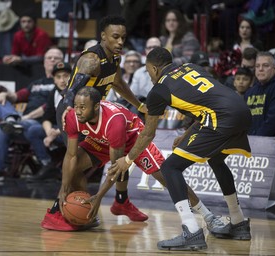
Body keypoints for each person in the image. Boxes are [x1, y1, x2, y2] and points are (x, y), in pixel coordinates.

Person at [108, 47, 253, 251]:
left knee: (170, 168)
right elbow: (206, 102)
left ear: (155, 68)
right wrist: (185, 135)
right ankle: (238, 223)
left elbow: (148, 134)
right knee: (216, 160)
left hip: (221, 118)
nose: (149, 76)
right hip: (241, 109)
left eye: (149, 71)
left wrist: (128, 160)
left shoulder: (158, 90)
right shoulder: (191, 68)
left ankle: (191, 230)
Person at [41, 87, 221, 232]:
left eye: (83, 107)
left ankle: (207, 216)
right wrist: (64, 190)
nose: (78, 112)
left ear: (96, 107)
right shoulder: (72, 116)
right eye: (76, 106)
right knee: (74, 168)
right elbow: (70, 156)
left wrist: (100, 196)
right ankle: (87, 213)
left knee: (166, 177)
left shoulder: (114, 122)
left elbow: (116, 167)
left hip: (134, 138)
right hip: (103, 140)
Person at [55, 15, 148, 224]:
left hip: (96, 114)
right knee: (76, 163)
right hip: (75, 112)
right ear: (103, 36)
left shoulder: (115, 58)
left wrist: (140, 105)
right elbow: (71, 91)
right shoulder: (91, 60)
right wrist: (69, 107)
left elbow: (118, 84)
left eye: (123, 38)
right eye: (115, 37)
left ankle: (121, 201)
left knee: (120, 155)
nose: (121, 42)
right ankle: (74, 209)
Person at [0, 47, 64, 182]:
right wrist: (4, 94)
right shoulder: (36, 84)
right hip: (23, 123)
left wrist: (26, 117)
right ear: (44, 62)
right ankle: (11, 119)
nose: (52, 60)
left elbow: (50, 107)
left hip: (40, 124)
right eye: (49, 58)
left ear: (61, 62)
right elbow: (16, 96)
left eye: (56, 58)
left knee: (2, 128)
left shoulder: (62, 84)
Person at [25, 62, 72, 182]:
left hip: (74, 131)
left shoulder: (78, 93)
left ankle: (72, 171)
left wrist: (56, 133)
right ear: (54, 80)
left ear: (72, 77)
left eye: (66, 76)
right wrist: (49, 131)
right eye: (58, 77)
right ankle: (48, 164)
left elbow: (75, 120)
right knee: (33, 130)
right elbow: (47, 117)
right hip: (58, 129)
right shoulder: (54, 93)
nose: (62, 80)